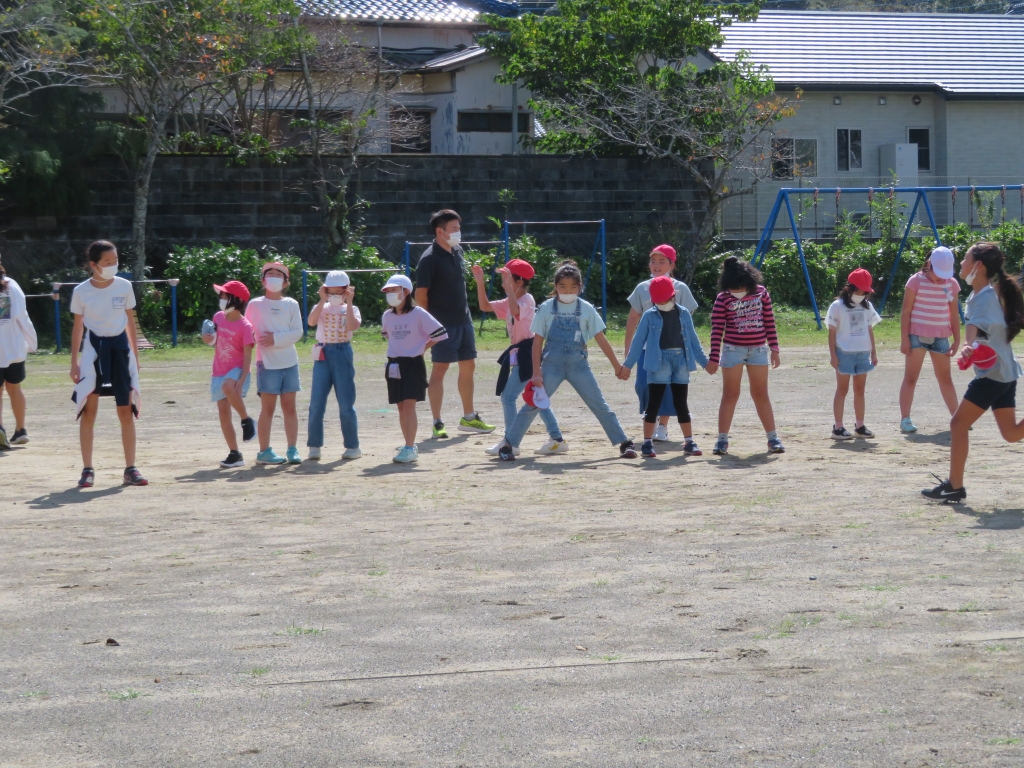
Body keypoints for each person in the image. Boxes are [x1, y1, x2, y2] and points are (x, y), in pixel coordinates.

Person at [494, 260, 638, 461]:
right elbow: (537, 343)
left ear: (580, 287)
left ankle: (623, 442)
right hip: (551, 365)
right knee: (533, 404)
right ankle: (509, 444)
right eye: (562, 286)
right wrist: (536, 373)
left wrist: (617, 366)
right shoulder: (546, 308)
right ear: (555, 286)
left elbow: (600, 338)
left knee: (598, 403)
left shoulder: (586, 308)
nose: (567, 291)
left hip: (579, 365)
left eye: (572, 287)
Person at [923, 242, 1024, 503]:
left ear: (978, 266)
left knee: (958, 424)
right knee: (1011, 433)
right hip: (1004, 372)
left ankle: (955, 487)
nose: (961, 263)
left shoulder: (985, 298)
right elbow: (981, 330)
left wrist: (968, 345)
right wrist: (971, 346)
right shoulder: (984, 294)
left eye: (965, 258)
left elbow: (974, 329)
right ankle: (954, 486)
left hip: (994, 375)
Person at [471, 258, 566, 456]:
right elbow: (484, 306)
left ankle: (510, 441)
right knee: (536, 397)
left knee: (508, 397)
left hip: (529, 352)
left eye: (506, 279)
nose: (503, 284)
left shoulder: (527, 299)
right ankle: (557, 439)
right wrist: (480, 282)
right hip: (522, 353)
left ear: (519, 281)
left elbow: (515, 310)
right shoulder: (511, 300)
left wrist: (508, 290)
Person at [69, 241, 146, 487]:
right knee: (89, 410)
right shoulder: (81, 291)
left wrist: (136, 357)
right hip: (94, 352)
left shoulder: (124, 286)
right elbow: (78, 328)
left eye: (116, 261)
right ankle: (87, 469)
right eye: (107, 262)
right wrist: (74, 362)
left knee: (125, 410)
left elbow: (130, 322)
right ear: (94, 264)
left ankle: (131, 469)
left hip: (121, 351)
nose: (113, 265)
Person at [415, 209, 495, 438]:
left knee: (468, 367)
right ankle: (437, 422)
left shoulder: (458, 251)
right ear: (440, 231)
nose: (459, 233)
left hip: (464, 321)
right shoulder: (428, 259)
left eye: (459, 228)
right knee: (440, 370)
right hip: (442, 325)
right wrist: (428, 327)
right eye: (454, 229)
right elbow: (421, 296)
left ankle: (469, 417)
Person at [622, 275, 707, 458]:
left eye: (665, 299)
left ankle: (689, 442)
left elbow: (693, 341)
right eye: (658, 300)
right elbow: (638, 342)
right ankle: (647, 443)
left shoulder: (684, 313)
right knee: (653, 403)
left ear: (673, 295)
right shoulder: (649, 315)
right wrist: (627, 365)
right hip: (658, 362)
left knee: (681, 403)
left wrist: (706, 363)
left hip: (680, 361)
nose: (662, 303)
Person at [706, 256, 784, 455]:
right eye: (733, 289)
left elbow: (769, 321)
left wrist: (774, 349)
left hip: (758, 350)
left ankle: (773, 438)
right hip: (733, 351)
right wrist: (714, 356)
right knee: (730, 394)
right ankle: (722, 440)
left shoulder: (761, 293)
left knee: (761, 394)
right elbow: (717, 329)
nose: (737, 292)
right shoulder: (723, 298)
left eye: (740, 288)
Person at [381, 274, 448, 464]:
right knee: (401, 407)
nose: (390, 293)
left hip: (413, 364)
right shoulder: (387, 316)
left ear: (406, 292)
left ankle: (410, 448)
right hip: (394, 364)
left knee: (409, 405)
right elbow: (387, 335)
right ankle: (408, 444)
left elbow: (440, 333)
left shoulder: (418, 313)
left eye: (394, 290)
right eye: (388, 290)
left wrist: (421, 348)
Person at [244, 262, 303, 466]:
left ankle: (292, 449)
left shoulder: (291, 304)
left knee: (290, 408)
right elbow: (247, 331)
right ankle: (264, 451)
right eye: (270, 274)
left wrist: (275, 339)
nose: (274, 278)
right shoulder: (255, 304)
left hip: (289, 363)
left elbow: (297, 332)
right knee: (267, 409)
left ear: (286, 282)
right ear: (263, 280)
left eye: (279, 275)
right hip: (267, 364)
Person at [898, 246, 962, 433]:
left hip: (941, 337)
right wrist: (904, 339)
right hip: (916, 336)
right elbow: (906, 311)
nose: (941, 278)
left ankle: (958, 419)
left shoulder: (952, 284)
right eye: (938, 273)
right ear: (928, 265)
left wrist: (957, 339)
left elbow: (954, 314)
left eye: (945, 274)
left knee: (945, 379)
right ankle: (905, 419)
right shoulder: (915, 281)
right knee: (911, 378)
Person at [306, 270, 362, 461]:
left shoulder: (352, 309)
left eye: (339, 292)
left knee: (346, 403)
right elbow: (311, 322)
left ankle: (352, 446)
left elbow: (352, 326)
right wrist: (322, 300)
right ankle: (314, 445)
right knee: (316, 403)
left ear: (347, 291)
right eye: (331, 292)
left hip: (342, 351)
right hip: (323, 352)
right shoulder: (321, 306)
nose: (335, 296)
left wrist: (349, 302)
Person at [201, 280, 256, 468]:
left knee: (227, 386)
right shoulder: (218, 317)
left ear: (237, 300)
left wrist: (243, 377)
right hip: (219, 370)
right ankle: (235, 454)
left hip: (237, 370)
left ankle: (246, 420)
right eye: (222, 295)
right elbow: (214, 342)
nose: (222, 299)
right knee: (223, 413)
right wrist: (207, 339)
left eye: (226, 296)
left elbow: (248, 354)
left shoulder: (245, 326)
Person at [827, 268, 881, 440]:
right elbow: (832, 333)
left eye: (864, 292)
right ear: (848, 288)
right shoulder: (837, 306)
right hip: (844, 353)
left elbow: (869, 329)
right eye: (858, 291)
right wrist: (833, 355)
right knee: (842, 390)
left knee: (860, 390)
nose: (861, 295)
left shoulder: (867, 306)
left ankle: (860, 426)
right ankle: (838, 428)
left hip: (863, 353)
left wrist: (873, 352)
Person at [0, 258, 37, 449]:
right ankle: (21, 430)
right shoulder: (13, 286)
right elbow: (23, 316)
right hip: (14, 347)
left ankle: (0, 430)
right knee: (15, 388)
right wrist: (31, 341)